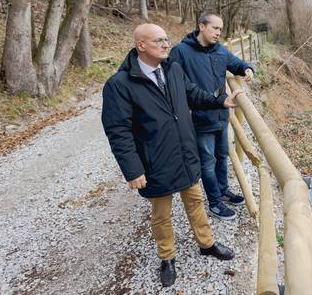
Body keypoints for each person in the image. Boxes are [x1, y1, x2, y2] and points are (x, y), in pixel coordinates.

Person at [101, 23, 242, 287]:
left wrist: (220, 100)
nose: (166, 45)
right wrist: (133, 169)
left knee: (195, 201)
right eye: (159, 41)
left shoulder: (172, 69)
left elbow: (191, 93)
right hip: (155, 159)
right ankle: (167, 257)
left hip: (184, 152)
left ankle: (207, 243)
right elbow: (117, 131)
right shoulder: (120, 85)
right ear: (141, 45)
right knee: (161, 214)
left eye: (166, 39)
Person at [169, 12, 254, 220]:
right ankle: (215, 203)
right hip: (200, 118)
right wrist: (212, 101)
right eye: (215, 28)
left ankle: (223, 190)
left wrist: (247, 68)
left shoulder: (220, 51)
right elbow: (182, 86)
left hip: (221, 116)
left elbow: (236, 63)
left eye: (220, 29)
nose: (218, 33)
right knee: (207, 161)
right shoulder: (181, 52)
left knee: (222, 156)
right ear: (202, 26)